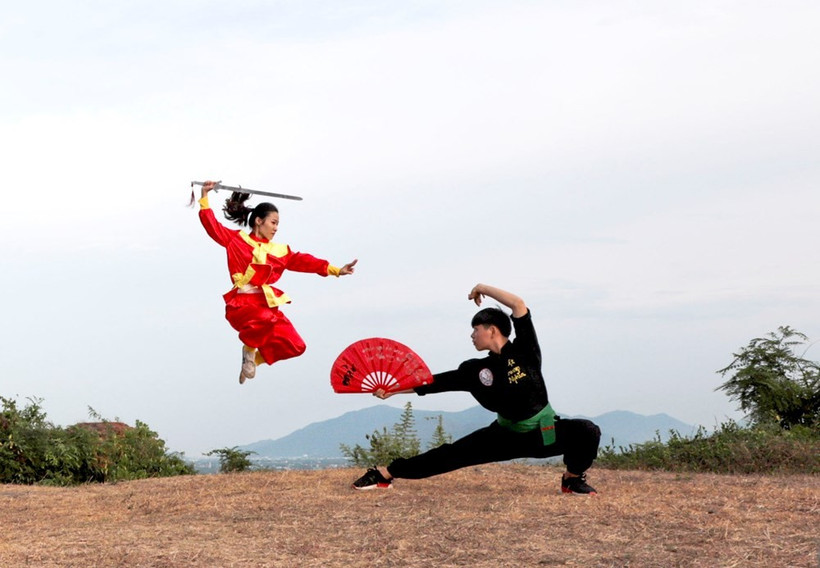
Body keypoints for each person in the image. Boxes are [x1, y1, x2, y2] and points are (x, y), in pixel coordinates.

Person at [351, 283, 601, 494]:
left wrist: (482, 288)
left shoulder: (525, 350)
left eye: (476, 330)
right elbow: (434, 382)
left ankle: (571, 479)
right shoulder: (475, 371)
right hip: (503, 436)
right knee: (450, 454)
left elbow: (517, 304)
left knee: (587, 431)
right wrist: (394, 389)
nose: (472, 335)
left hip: (543, 431)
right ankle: (384, 474)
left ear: (491, 330)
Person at [197, 180, 357, 384]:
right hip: (242, 305)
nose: (276, 228)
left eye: (277, 224)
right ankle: (248, 349)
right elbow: (212, 226)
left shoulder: (279, 251)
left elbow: (304, 262)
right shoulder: (236, 241)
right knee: (263, 318)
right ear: (258, 221)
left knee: (296, 345)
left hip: (267, 306)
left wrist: (336, 270)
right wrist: (204, 196)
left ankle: (253, 360)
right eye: (273, 222)